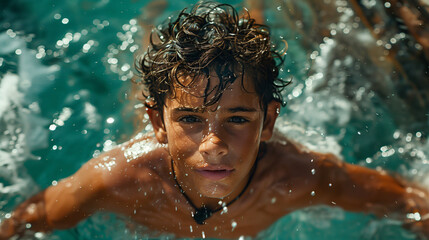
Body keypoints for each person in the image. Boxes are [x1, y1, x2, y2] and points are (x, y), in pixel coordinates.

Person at [1, 2, 429, 239]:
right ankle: (152, 13)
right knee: (146, 72)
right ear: (159, 124)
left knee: (253, 54)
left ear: (270, 122)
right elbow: (25, 221)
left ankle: (254, 8)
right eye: (189, 120)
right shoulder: (118, 180)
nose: (213, 144)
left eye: (239, 121)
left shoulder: (297, 176)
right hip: (149, 127)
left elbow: (408, 200)